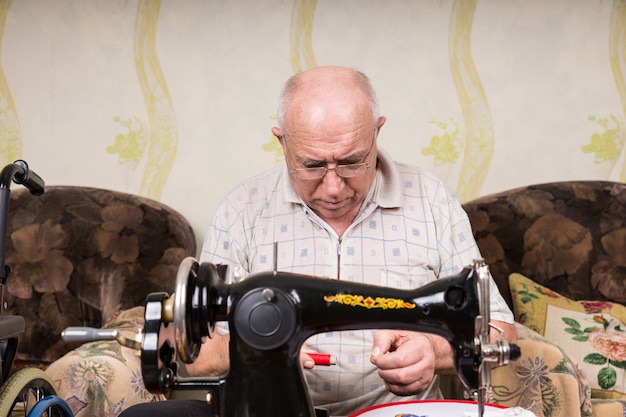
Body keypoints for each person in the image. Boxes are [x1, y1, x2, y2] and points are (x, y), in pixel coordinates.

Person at [121, 65, 517, 417]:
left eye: (351, 162)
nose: (332, 187)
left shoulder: (431, 202)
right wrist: (258, 348)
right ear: (281, 142)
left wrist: (433, 350)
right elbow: (198, 357)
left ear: (377, 132)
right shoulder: (243, 210)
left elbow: (500, 331)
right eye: (311, 165)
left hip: (396, 414)